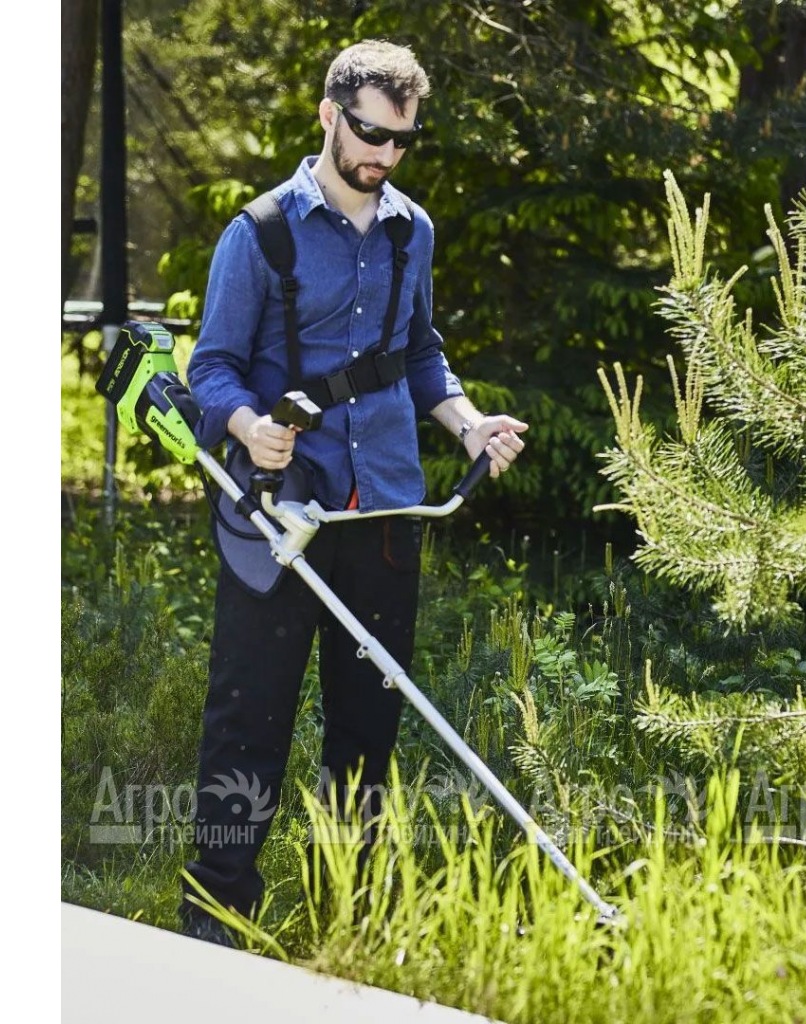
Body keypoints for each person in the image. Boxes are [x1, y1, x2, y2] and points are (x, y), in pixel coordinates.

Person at [179, 39, 528, 945]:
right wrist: (246, 425)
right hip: (280, 515)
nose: (386, 155)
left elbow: (420, 354)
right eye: (372, 134)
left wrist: (469, 425)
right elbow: (211, 366)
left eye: (403, 140)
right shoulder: (261, 232)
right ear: (330, 116)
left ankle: (351, 921)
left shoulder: (413, 231)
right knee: (248, 720)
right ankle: (216, 920)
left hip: (386, 514)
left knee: (368, 727)